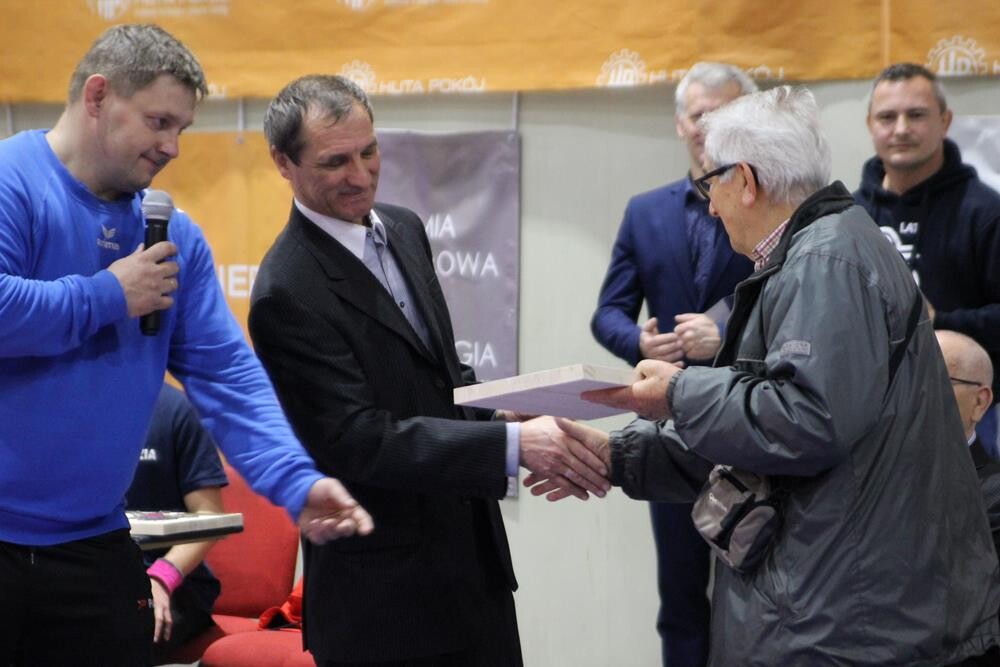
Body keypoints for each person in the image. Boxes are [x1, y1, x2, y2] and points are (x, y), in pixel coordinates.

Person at [532, 86, 1000, 665]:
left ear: (746, 180)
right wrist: (617, 455)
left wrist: (679, 392)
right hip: (838, 604)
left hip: (842, 620)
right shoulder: (823, 251)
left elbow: (806, 420)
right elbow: (766, 427)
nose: (710, 206)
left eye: (711, 184)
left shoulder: (825, 263)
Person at [0, 25, 371, 667]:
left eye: (183, 128)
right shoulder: (12, 183)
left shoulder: (172, 236)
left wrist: (295, 480)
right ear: (97, 96)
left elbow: (228, 376)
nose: (172, 146)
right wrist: (108, 296)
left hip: (96, 547)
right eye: (159, 122)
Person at [248, 74, 609, 667]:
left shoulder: (404, 229)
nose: (360, 175)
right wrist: (513, 445)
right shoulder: (286, 290)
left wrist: (500, 412)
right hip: (384, 608)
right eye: (335, 162)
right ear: (283, 163)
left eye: (369, 152)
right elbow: (360, 441)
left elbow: (439, 376)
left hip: (472, 573)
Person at [590, 61, 755, 667]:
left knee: (760, 593)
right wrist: (640, 343)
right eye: (699, 113)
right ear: (680, 123)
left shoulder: (770, 205)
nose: (709, 125)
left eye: (724, 113)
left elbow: (793, 306)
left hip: (756, 420)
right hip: (671, 427)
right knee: (681, 599)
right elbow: (607, 314)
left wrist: (726, 332)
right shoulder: (646, 211)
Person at [855, 63, 1000, 458]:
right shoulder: (850, 217)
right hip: (868, 418)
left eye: (916, 114)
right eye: (887, 117)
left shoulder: (985, 213)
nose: (901, 129)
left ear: (945, 121)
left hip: (966, 421)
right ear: (870, 124)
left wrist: (939, 321)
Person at [126, 384, 228, 662]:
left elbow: (209, 517)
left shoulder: (176, 409)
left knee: (110, 633)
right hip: (98, 570)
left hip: (170, 582)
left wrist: (162, 578)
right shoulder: (76, 407)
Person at [936, 331, 1000, 559]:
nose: (914, 394)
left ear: (979, 402)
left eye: (933, 379)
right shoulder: (864, 475)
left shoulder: (993, 495)